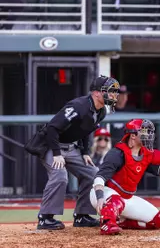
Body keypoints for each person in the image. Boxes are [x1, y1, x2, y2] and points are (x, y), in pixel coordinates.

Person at [32, 75, 120, 230]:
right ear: (96, 93)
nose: (114, 95)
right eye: (110, 91)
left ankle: (82, 216)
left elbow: (85, 130)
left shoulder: (101, 112)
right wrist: (57, 153)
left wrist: (85, 152)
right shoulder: (78, 106)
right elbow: (52, 127)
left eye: (114, 92)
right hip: (51, 145)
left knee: (93, 174)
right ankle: (45, 218)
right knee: (60, 176)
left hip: (71, 147)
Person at [90, 119, 160, 235]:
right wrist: (100, 198)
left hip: (126, 198)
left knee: (158, 221)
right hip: (103, 194)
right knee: (116, 200)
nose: (148, 135)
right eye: (144, 132)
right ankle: (107, 223)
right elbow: (99, 178)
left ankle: (122, 222)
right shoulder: (117, 154)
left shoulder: (145, 154)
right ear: (132, 136)